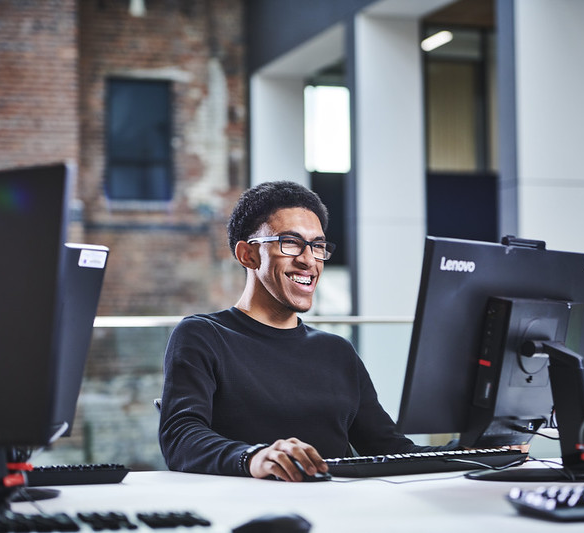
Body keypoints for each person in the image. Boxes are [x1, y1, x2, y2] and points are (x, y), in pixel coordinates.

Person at [158, 180, 454, 482]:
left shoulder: (337, 351)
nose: (309, 260)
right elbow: (181, 438)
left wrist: (472, 448)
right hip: (251, 506)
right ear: (248, 255)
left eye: (318, 246)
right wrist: (255, 457)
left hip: (339, 506)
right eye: (290, 242)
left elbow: (390, 448)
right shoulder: (203, 336)